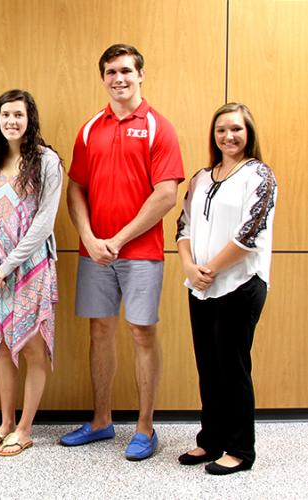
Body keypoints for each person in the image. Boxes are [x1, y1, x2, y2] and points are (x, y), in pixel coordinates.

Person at [62, 44, 185, 460]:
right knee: (99, 331)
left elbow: (166, 194)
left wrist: (119, 238)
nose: (119, 78)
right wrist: (91, 237)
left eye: (127, 70)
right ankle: (101, 421)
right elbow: (75, 188)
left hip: (142, 253)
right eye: (111, 71)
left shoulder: (157, 127)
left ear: (141, 75)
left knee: (141, 332)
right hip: (94, 252)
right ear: (103, 78)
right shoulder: (89, 128)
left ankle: (146, 428)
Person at [176, 103, 276, 475]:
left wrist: (212, 268)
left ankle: (239, 450)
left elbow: (249, 234)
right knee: (209, 368)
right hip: (200, 287)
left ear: (248, 133)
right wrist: (191, 267)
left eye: (236, 129)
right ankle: (211, 441)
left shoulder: (259, 176)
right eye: (221, 129)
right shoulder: (202, 177)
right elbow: (183, 227)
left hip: (240, 285)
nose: (228, 136)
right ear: (213, 135)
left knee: (233, 369)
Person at [0, 90, 63, 456]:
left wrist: (10, 264)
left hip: (31, 267)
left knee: (30, 348)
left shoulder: (46, 161)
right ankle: (6, 422)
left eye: (19, 115)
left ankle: (25, 429)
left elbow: (45, 221)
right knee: (4, 347)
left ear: (30, 120)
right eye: (5, 115)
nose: (12, 121)